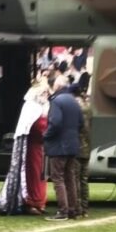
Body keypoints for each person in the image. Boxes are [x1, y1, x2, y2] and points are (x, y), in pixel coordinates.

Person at [0, 79, 49, 215]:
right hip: (31, 147)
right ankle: (30, 201)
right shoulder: (30, 107)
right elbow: (29, 128)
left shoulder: (44, 107)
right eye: (43, 92)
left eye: (46, 92)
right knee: (32, 174)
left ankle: (40, 201)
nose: (46, 95)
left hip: (41, 147)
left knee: (41, 175)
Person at [44, 74, 81, 221]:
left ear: (57, 86)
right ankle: (73, 209)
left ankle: (63, 211)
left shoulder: (57, 101)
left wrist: (46, 135)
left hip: (59, 146)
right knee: (70, 177)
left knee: (58, 178)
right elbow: (81, 123)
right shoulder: (74, 101)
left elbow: (56, 123)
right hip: (73, 144)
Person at [70, 83, 91, 219]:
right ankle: (84, 208)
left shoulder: (75, 107)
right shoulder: (88, 107)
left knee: (75, 179)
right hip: (87, 146)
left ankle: (77, 208)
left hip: (77, 146)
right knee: (84, 180)